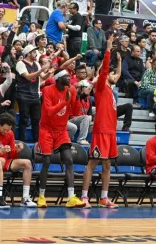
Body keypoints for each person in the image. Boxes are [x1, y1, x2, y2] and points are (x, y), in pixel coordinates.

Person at [36, 68, 85, 208]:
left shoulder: (72, 91)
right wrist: (65, 101)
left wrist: (79, 98)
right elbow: (50, 112)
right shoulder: (47, 90)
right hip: (47, 130)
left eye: (70, 76)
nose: (70, 78)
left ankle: (71, 197)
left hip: (61, 130)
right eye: (66, 77)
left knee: (69, 160)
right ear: (58, 79)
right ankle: (41, 196)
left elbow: (74, 111)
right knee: (46, 161)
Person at [81, 36, 119, 209]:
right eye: (110, 73)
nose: (112, 74)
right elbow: (104, 72)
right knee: (92, 163)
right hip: (101, 130)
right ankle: (84, 197)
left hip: (111, 131)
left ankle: (104, 197)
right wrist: (108, 50)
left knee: (107, 164)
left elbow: (116, 74)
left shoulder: (111, 90)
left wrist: (119, 61)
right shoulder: (101, 87)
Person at [0, 113, 36, 207]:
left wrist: (17, 151)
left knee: (27, 163)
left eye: (8, 130)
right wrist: (0, 151)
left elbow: (12, 155)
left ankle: (25, 198)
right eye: (4, 129)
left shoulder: (10, 133)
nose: (6, 132)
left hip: (5, 161)